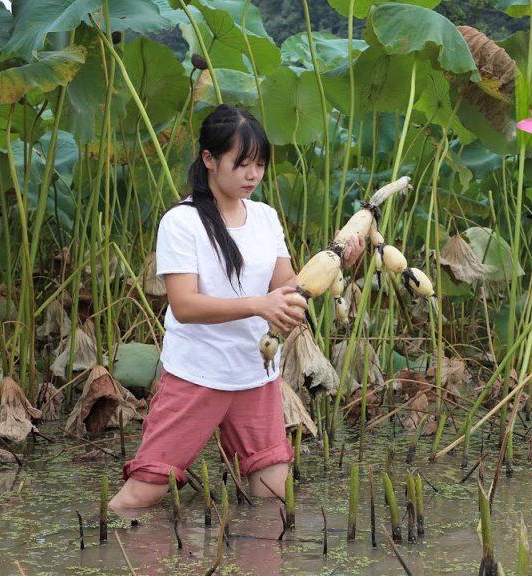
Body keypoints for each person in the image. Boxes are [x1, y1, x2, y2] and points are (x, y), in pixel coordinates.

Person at [110, 104, 361, 509]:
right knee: (144, 493)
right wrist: (259, 305)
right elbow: (185, 305)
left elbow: (290, 289)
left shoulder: (264, 218)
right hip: (198, 374)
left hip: (254, 374)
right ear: (209, 159)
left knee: (275, 497)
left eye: (260, 165)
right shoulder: (182, 221)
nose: (253, 175)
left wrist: (339, 262)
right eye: (242, 164)